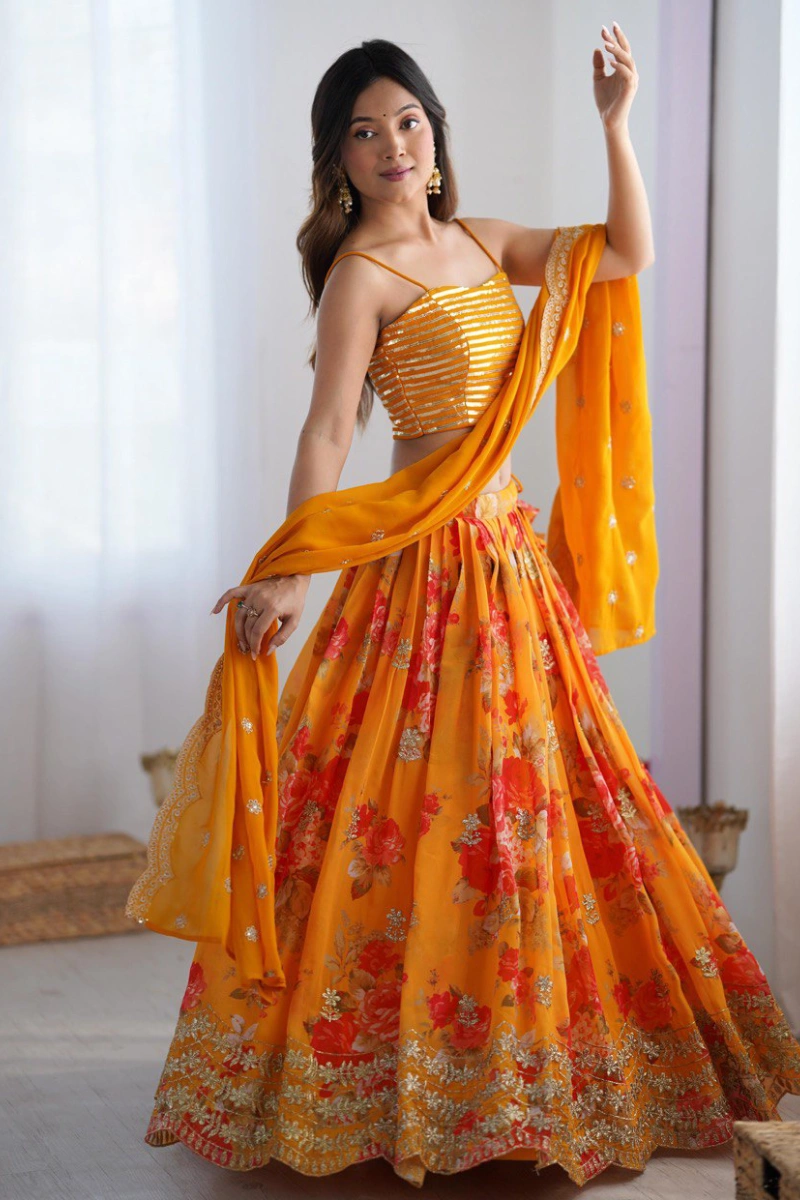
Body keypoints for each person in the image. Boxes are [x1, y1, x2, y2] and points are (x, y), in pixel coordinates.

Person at [127, 32, 800, 1189]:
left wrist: (613, 123)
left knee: (529, 804)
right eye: (363, 131)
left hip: (507, 566)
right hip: (413, 572)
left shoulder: (485, 241)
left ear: (433, 136)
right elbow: (327, 432)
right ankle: (390, 1080)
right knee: (405, 815)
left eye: (406, 121)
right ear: (339, 161)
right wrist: (290, 567)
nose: (391, 144)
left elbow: (625, 254)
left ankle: (527, 1074)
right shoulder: (360, 274)